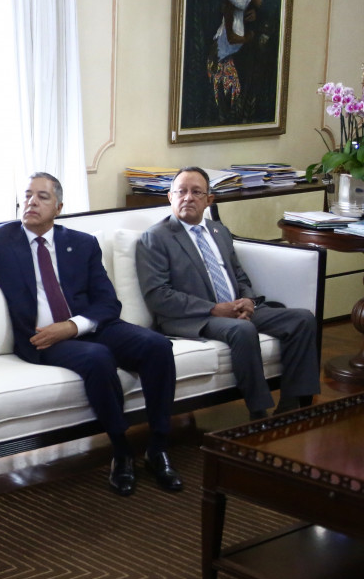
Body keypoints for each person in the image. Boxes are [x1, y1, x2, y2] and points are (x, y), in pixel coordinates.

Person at [0, 172, 181, 497]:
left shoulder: (82, 243)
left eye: (42, 197)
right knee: (98, 358)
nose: (31, 202)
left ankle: (158, 448)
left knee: (157, 346)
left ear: (59, 207)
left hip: (90, 327)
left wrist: (73, 326)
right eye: (27, 195)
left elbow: (108, 302)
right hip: (42, 339)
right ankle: (121, 451)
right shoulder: (1, 241)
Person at [136, 167, 320, 420]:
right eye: (181, 192)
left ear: (209, 200)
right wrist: (213, 309)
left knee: (302, 319)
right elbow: (158, 295)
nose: (188, 197)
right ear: (170, 197)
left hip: (232, 308)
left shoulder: (218, 231)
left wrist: (248, 301)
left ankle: (291, 405)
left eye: (196, 192)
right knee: (242, 330)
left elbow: (239, 275)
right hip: (193, 317)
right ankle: (259, 413)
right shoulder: (156, 237)